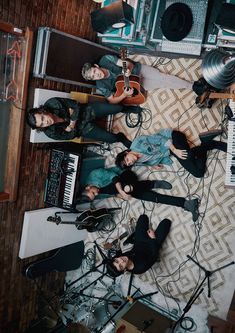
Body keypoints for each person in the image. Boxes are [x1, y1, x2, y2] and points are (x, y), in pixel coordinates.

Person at [81, 167, 199, 221]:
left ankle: (153, 184)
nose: (96, 194)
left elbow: (115, 177)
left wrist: (122, 191)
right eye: (94, 196)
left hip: (125, 176)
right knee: (150, 198)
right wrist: (121, 196)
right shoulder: (96, 194)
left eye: (93, 192)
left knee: (128, 189)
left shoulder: (94, 174)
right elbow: (111, 194)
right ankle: (185, 203)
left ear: (88, 187)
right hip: (124, 189)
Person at [81, 54, 207, 104]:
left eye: (94, 71)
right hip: (136, 85)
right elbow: (112, 100)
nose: (96, 75)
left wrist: (127, 68)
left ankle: (193, 86)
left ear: (96, 66)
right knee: (163, 84)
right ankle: (194, 85)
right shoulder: (100, 85)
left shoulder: (105, 59)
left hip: (137, 70)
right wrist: (124, 95)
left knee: (162, 77)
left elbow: (124, 62)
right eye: (93, 76)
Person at [26, 97, 142, 147]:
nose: (45, 123)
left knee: (117, 108)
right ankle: (120, 137)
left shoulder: (52, 103)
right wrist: (73, 120)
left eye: (42, 119)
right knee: (112, 139)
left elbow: (75, 105)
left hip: (87, 111)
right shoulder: (50, 132)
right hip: (84, 128)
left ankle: (126, 109)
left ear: (43, 111)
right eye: (41, 124)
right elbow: (71, 136)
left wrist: (71, 125)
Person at [115, 129, 227, 178]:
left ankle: (213, 144)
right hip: (169, 152)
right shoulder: (137, 162)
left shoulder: (138, 142)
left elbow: (160, 139)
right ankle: (205, 141)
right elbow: (145, 162)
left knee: (190, 155)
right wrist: (152, 165)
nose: (131, 162)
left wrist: (175, 150)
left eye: (127, 160)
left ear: (126, 152)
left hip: (172, 138)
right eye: (129, 164)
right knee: (198, 173)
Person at [106, 214, 171, 276]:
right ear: (124, 270)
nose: (121, 260)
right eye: (121, 266)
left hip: (139, 242)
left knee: (143, 217)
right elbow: (154, 255)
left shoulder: (119, 257)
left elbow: (118, 253)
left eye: (117, 261)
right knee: (166, 222)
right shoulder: (141, 268)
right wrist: (153, 238)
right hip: (151, 247)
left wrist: (117, 246)